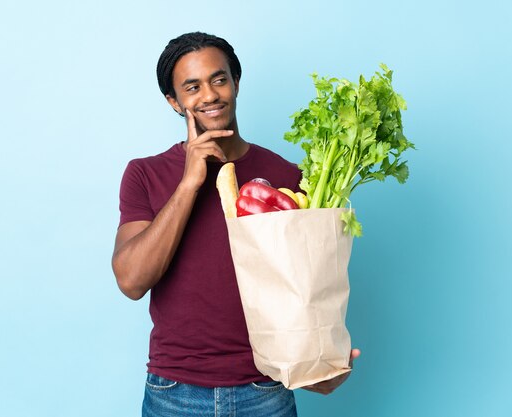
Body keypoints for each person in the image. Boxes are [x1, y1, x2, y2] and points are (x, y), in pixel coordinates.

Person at [112, 31, 360, 416]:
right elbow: (131, 280)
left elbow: (307, 285)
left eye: (219, 79)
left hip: (265, 390)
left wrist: (319, 361)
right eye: (191, 87)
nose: (209, 94)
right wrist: (190, 182)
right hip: (173, 392)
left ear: (236, 83)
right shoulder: (145, 174)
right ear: (174, 102)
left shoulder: (287, 175)